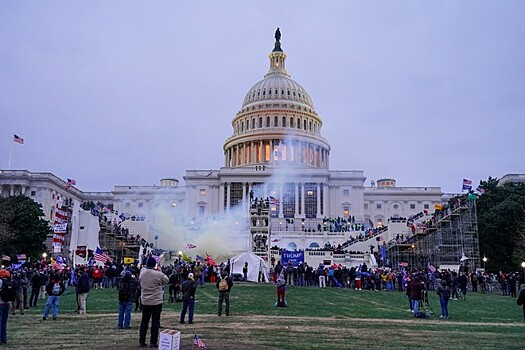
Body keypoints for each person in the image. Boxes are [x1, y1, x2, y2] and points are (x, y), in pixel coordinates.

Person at [139, 256, 168, 348]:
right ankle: (153, 342)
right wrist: (159, 270)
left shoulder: (142, 273)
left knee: (144, 322)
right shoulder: (158, 274)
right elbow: (167, 280)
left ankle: (142, 341)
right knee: (155, 322)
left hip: (145, 301)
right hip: (156, 301)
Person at [0, 269, 14, 345]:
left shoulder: (0, 282)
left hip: (0, 303)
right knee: (4, 322)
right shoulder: (9, 282)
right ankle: (4, 339)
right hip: (7, 303)